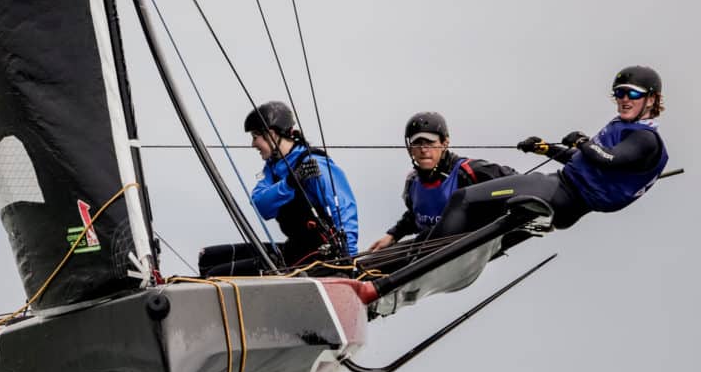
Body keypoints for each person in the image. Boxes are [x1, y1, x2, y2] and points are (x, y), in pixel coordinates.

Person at [430, 65, 669, 238]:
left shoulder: (645, 139)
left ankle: (424, 260)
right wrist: (546, 149)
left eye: (634, 94)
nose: (625, 99)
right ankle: (408, 254)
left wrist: (583, 141)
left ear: (651, 100)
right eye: (619, 93)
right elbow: (586, 162)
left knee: (462, 199)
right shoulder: (625, 128)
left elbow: (609, 160)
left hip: (556, 193)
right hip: (562, 198)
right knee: (474, 213)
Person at [198, 101, 359, 276]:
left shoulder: (314, 164)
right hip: (293, 251)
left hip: (318, 256)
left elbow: (343, 209)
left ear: (272, 134)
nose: (253, 144)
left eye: (255, 137)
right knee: (208, 259)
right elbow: (262, 205)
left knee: (215, 274)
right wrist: (290, 183)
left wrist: (348, 261)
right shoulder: (273, 168)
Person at [368, 112, 516, 251]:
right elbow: (416, 216)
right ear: (410, 149)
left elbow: (516, 180)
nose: (424, 150)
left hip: (465, 248)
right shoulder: (412, 181)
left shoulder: (469, 171)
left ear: (444, 143)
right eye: (417, 143)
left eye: (430, 143)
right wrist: (393, 235)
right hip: (430, 253)